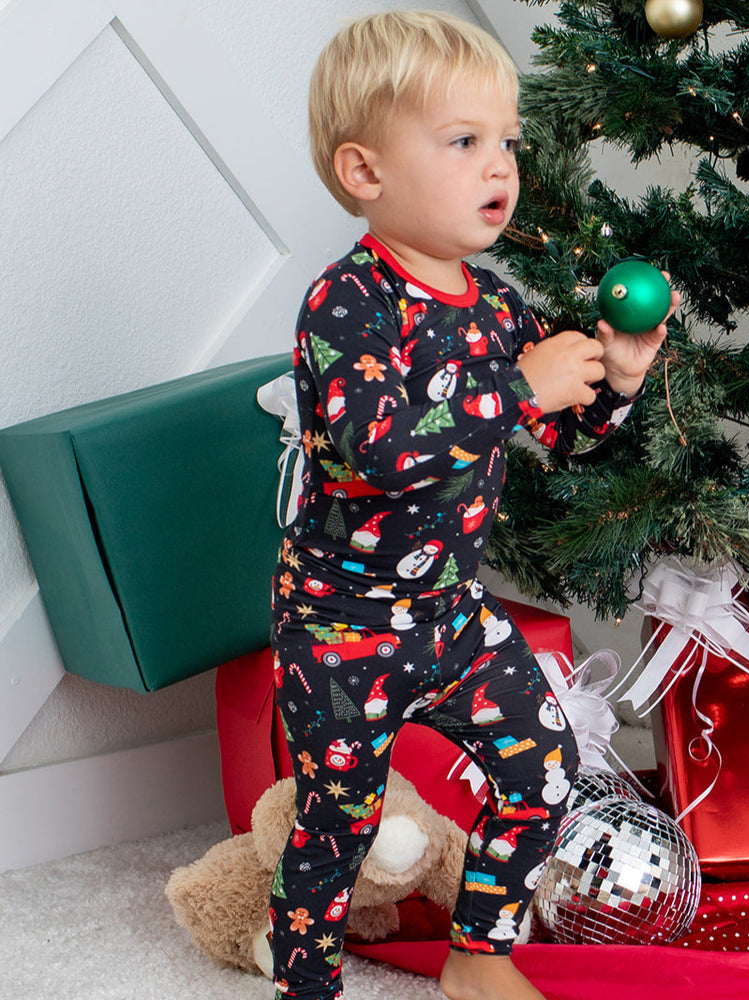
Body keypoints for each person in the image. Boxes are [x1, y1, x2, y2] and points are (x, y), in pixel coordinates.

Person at [268, 10, 678, 1000]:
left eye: (506, 143)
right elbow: (383, 450)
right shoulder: (347, 305)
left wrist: (614, 382)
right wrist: (516, 390)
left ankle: (477, 955)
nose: (499, 166)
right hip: (342, 623)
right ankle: (303, 982)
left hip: (449, 612)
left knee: (540, 772)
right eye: (463, 142)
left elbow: (562, 437)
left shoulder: (495, 306)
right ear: (366, 173)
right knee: (340, 819)